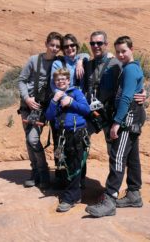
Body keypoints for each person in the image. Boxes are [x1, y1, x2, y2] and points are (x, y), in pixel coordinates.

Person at [85, 36, 146, 217]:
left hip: (127, 120)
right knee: (132, 156)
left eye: (124, 51)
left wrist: (116, 124)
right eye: (118, 51)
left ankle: (110, 199)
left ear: (131, 49)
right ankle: (134, 194)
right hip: (132, 118)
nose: (120, 55)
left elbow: (126, 97)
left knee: (117, 156)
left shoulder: (129, 70)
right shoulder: (129, 68)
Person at [18, 31, 62, 189]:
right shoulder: (34, 60)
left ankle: (43, 173)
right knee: (29, 140)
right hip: (27, 105)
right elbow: (22, 80)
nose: (55, 48)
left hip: (44, 108)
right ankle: (35, 173)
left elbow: (81, 55)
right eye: (52, 45)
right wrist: (26, 98)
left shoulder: (59, 62)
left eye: (58, 46)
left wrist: (110, 53)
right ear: (46, 44)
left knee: (33, 139)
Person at [45, 68, 90, 212]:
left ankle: (71, 197)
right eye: (58, 80)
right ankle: (73, 191)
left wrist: (71, 102)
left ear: (68, 81)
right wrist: (54, 100)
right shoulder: (55, 96)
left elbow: (86, 109)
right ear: (55, 82)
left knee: (75, 164)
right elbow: (49, 116)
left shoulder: (76, 93)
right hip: (61, 135)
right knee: (63, 162)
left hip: (76, 133)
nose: (61, 81)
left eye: (63, 79)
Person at [49, 34, 90, 188]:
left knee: (79, 145)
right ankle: (62, 178)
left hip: (78, 108)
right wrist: (64, 99)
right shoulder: (58, 63)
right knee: (60, 144)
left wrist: (80, 60)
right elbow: (54, 85)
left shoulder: (82, 59)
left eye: (72, 45)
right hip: (62, 107)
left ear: (76, 46)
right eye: (65, 46)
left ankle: (80, 180)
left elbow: (87, 54)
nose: (69, 48)